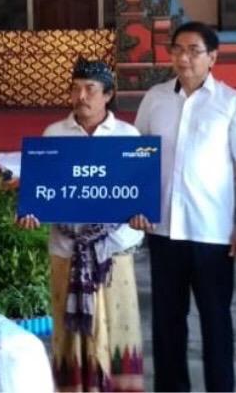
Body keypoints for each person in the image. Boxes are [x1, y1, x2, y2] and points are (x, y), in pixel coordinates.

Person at [131, 20, 236, 392]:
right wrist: (137, 204)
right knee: (168, 321)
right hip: (164, 229)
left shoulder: (233, 104)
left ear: (212, 58)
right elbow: (137, 155)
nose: (184, 58)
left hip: (211, 232)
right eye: (178, 50)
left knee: (216, 320)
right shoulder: (155, 98)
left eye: (194, 51)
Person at [19, 58, 145, 392]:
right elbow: (42, 192)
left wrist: (140, 214)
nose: (81, 96)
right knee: (69, 336)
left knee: (117, 331)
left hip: (114, 253)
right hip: (66, 252)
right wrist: (32, 211)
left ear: (108, 95)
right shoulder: (54, 135)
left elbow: (138, 193)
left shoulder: (127, 136)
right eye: (75, 88)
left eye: (90, 89)